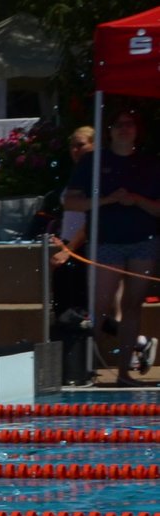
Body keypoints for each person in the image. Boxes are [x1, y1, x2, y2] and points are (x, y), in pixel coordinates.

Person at [64, 111, 160, 383]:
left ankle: (123, 372)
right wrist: (107, 200)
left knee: (132, 306)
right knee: (100, 308)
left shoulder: (149, 164)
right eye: (119, 124)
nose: (124, 129)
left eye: (129, 124)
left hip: (143, 241)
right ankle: (86, 369)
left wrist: (136, 200)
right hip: (107, 241)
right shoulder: (93, 162)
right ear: (110, 131)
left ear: (137, 130)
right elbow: (71, 202)